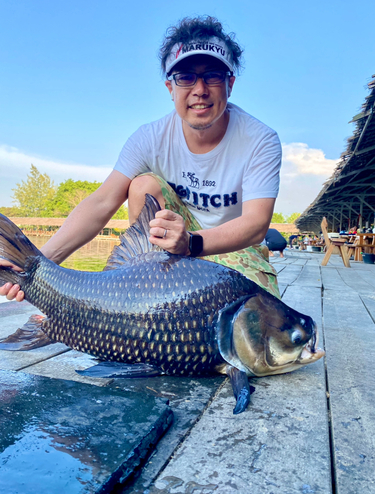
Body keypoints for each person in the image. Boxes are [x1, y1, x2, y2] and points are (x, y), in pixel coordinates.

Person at [0, 16, 282, 302]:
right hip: (171, 255)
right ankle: (148, 278)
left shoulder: (260, 139)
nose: (199, 89)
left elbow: (256, 224)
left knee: (268, 327)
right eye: (185, 77)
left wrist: (191, 243)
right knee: (142, 185)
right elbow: (101, 202)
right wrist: (36, 264)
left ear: (230, 83)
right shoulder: (149, 138)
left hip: (234, 250)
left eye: (212, 75)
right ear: (170, 88)